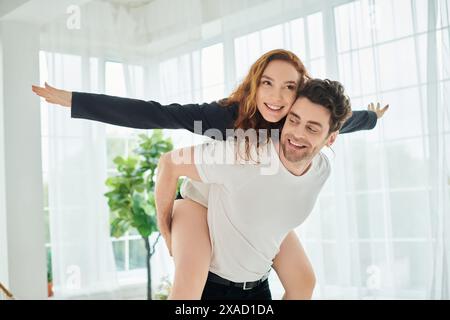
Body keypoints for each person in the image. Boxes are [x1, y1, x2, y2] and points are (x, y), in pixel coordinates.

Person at [32, 49, 388, 299]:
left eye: (289, 87)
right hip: (203, 200)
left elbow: (345, 120)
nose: (277, 97)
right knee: (188, 287)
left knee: (304, 281)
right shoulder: (226, 118)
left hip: (254, 206)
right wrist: (76, 101)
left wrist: (371, 117)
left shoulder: (308, 122)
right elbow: (157, 114)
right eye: (267, 83)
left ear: (300, 93)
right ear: (254, 84)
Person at [156, 78, 352, 300]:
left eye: (312, 128)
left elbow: (273, 198)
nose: (297, 134)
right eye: (294, 120)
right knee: (187, 290)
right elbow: (169, 164)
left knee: (304, 282)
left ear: (331, 138)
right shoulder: (245, 154)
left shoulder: (321, 169)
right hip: (197, 201)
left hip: (251, 210)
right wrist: (166, 232)